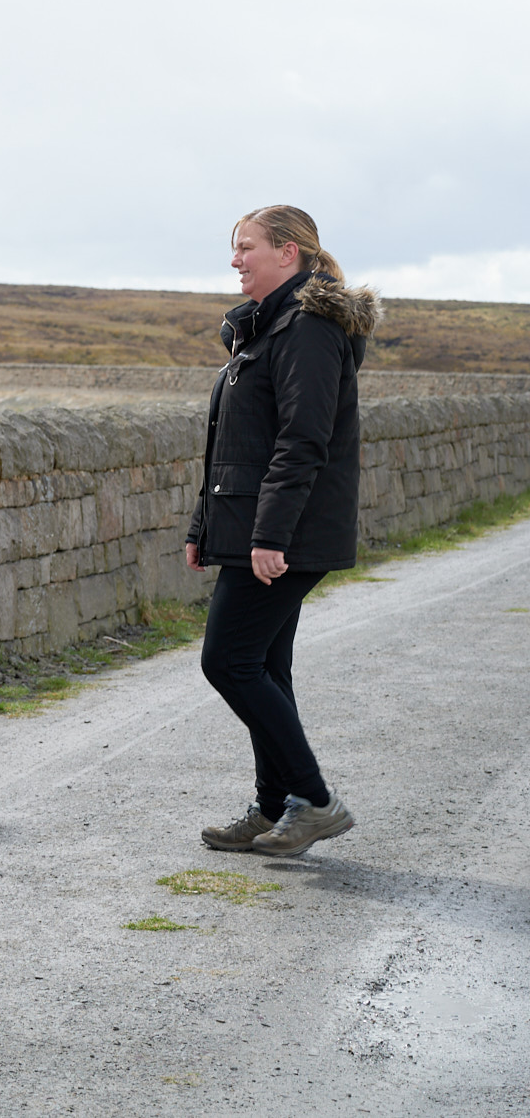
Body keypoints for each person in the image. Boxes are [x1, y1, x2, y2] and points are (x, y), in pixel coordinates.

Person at [185, 205, 380, 858]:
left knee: (228, 659)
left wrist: (269, 535)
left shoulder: (307, 328)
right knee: (265, 662)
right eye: (234, 249)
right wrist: (202, 525)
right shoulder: (264, 328)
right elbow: (233, 443)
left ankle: (314, 799)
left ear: (289, 252)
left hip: (284, 531)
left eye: (246, 248)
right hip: (254, 526)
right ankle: (276, 806)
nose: (235, 260)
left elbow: (302, 441)